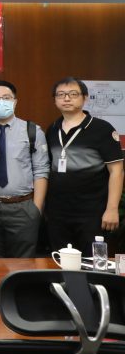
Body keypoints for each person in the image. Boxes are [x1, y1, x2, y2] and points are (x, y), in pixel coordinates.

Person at [45, 77, 123, 256]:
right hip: (58, 213)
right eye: (61, 94)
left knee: (94, 263)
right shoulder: (53, 128)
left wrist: (112, 209)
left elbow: (117, 171)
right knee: (61, 263)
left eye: (73, 94)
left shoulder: (102, 129)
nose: (66, 98)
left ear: (85, 98)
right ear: (55, 100)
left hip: (93, 213)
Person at [0, 80, 50, 258]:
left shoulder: (32, 130)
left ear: (15, 102)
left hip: (23, 207)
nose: (1, 102)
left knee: (24, 262)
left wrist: (36, 209)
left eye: (6, 98)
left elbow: (41, 170)